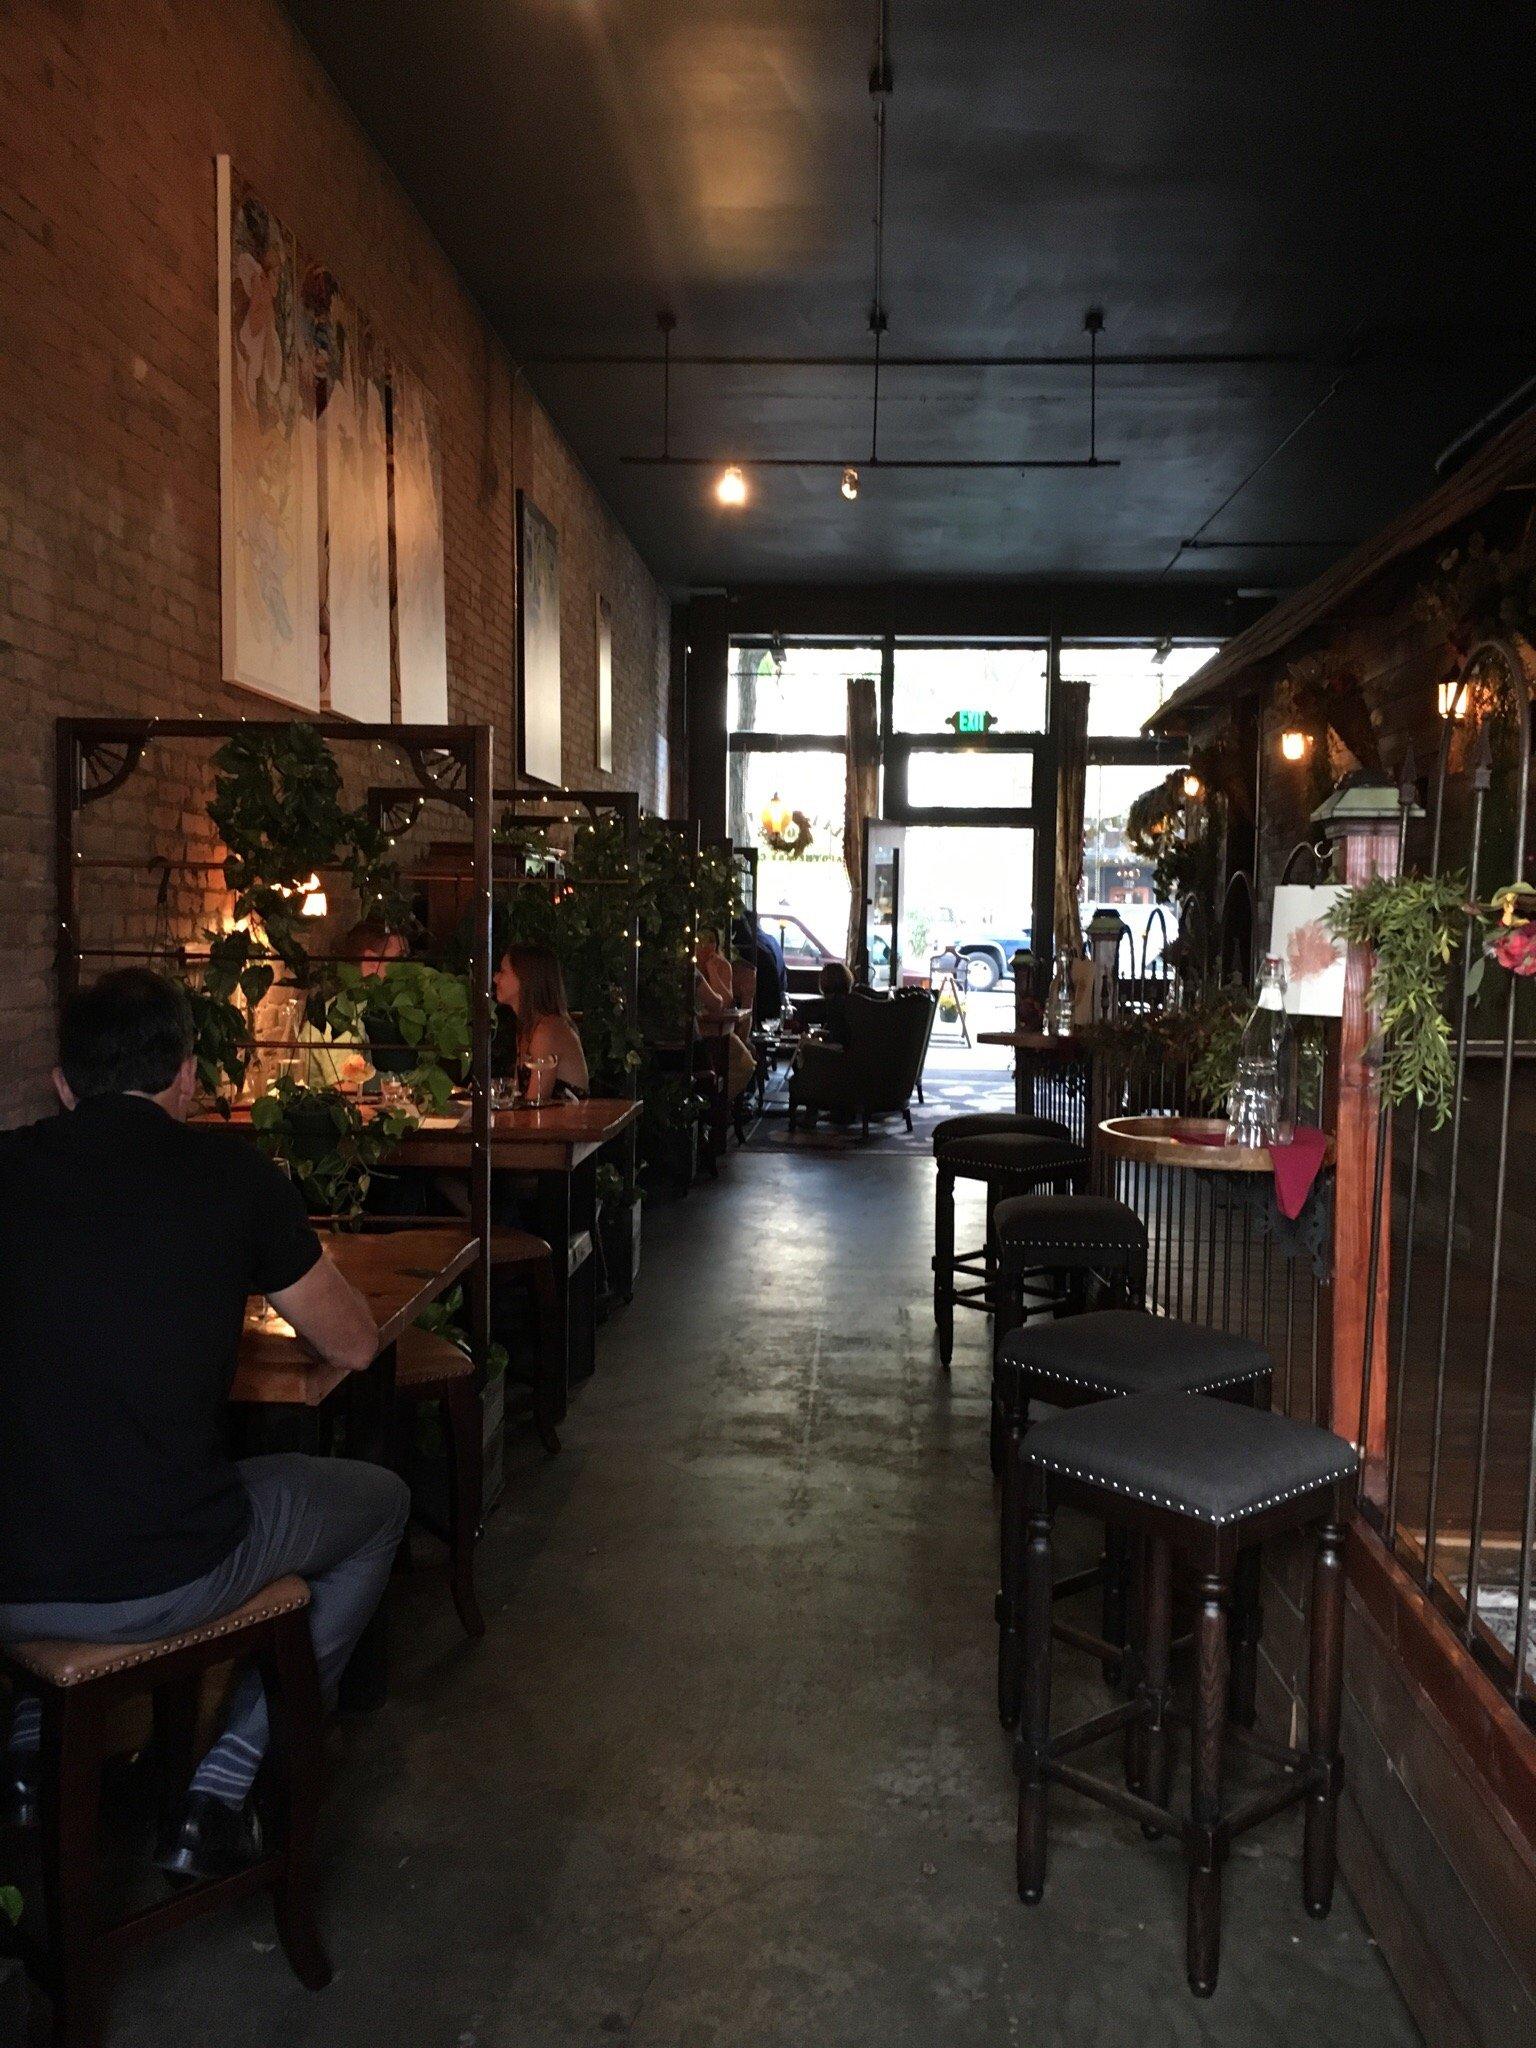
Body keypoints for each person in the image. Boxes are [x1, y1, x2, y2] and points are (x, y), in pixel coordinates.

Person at [0, 970, 407, 1881]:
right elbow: (352, 1344)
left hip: (11, 1577)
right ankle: (227, 1782)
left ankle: (32, 1746)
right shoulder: (234, 1179)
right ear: (186, 1075)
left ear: (65, 1084)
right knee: (378, 1503)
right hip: (164, 1569)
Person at [493, 943, 588, 1099]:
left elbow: (535, 1102)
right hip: (546, 1122)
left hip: (564, 1123)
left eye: (503, 972)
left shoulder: (546, 1031)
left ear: (525, 978)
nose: (495, 978)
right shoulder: (529, 1027)